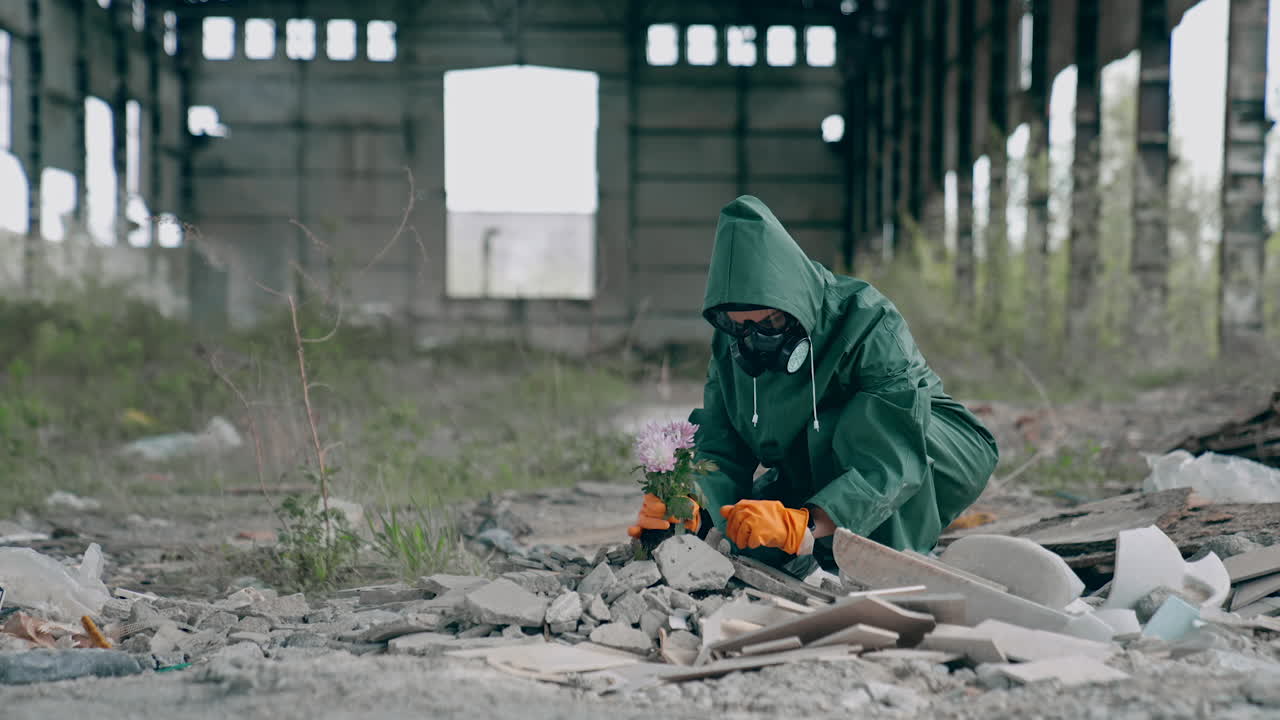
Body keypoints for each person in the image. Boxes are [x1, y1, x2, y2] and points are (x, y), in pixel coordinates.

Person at [628, 195, 999, 578]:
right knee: (745, 531)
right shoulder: (731, 343)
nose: (754, 339)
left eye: (769, 323)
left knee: (850, 429)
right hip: (816, 465)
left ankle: (888, 564)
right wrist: (690, 500)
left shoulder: (868, 321)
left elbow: (893, 455)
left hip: (930, 448)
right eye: (740, 325)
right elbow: (721, 445)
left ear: (794, 304)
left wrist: (805, 523)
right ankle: (821, 535)